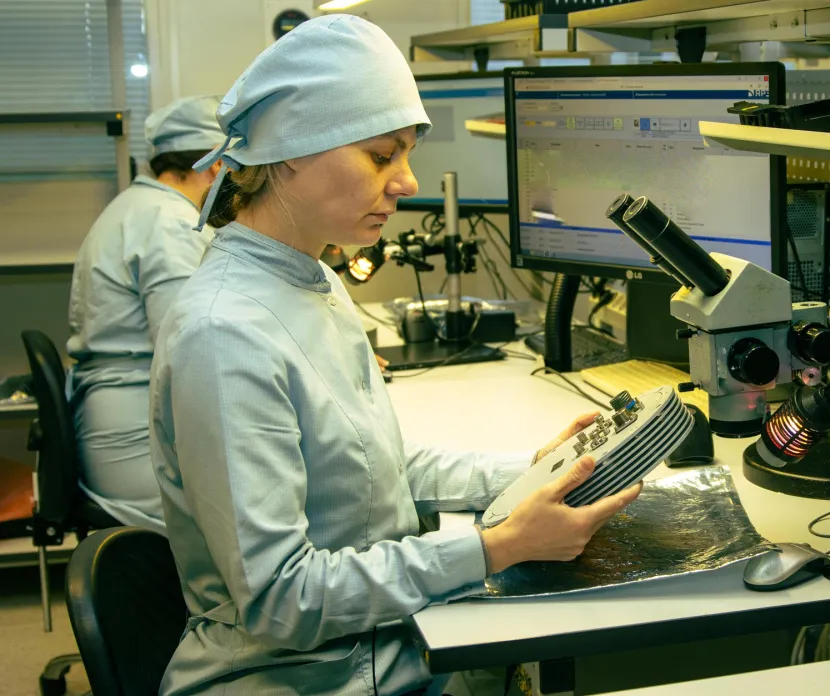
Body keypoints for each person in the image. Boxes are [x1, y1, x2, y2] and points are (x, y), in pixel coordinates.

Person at [149, 16, 638, 695]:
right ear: (289, 151)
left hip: (382, 647)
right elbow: (282, 600)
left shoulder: (314, 280)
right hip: (301, 676)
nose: (407, 182)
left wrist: (533, 473)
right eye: (382, 156)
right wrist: (495, 547)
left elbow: (379, 471)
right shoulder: (224, 332)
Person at [65, 95, 226, 533]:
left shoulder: (136, 206)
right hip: (134, 445)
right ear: (217, 166)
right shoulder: (169, 223)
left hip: (117, 418)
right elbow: (190, 353)